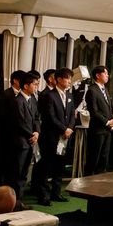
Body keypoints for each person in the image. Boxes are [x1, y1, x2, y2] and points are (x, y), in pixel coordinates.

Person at [36, 68, 75, 206]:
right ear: (58, 79)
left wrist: (70, 128)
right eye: (67, 78)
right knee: (46, 167)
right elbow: (49, 116)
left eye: (70, 79)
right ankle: (43, 196)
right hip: (51, 136)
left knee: (60, 165)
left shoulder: (69, 95)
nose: (69, 81)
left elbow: (72, 114)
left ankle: (56, 193)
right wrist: (64, 129)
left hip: (65, 137)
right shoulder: (49, 95)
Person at [8, 72, 41, 200]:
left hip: (30, 141)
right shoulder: (17, 101)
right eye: (34, 84)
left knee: (24, 174)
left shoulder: (32, 99)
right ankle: (14, 203)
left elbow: (37, 118)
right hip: (20, 142)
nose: (37, 86)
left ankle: (20, 201)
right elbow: (19, 122)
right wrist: (32, 135)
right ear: (26, 86)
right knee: (17, 174)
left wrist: (37, 132)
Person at [84, 66, 113, 175]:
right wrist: (107, 122)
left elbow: (110, 107)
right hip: (97, 130)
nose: (107, 76)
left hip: (107, 130)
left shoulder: (104, 89)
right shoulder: (92, 90)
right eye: (105, 73)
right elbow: (94, 111)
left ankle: (100, 181)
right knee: (94, 158)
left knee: (104, 158)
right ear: (98, 75)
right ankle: (88, 181)